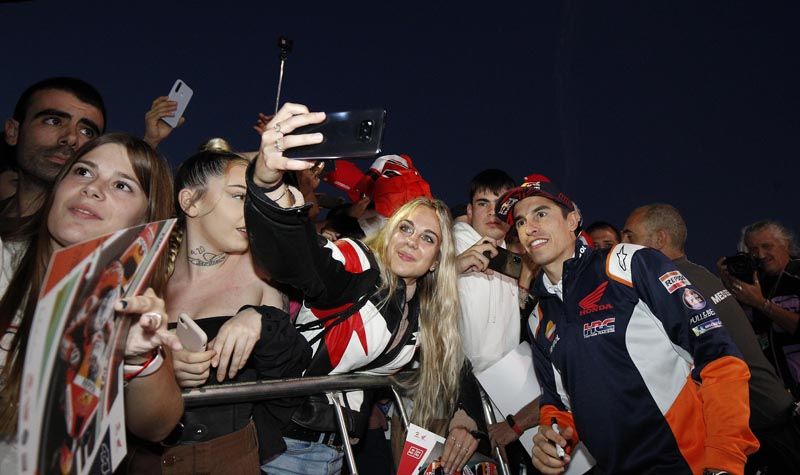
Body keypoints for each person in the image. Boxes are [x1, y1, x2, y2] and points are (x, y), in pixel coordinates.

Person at [245, 103, 485, 475]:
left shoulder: (421, 312)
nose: (411, 243)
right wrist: (268, 185)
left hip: (335, 451)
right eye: (405, 229)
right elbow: (301, 259)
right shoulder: (358, 264)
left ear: (437, 260)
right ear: (388, 233)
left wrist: (465, 417)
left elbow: (453, 363)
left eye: (427, 238)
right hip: (284, 447)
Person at [494, 178, 758, 474]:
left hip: (687, 464)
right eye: (520, 222)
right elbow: (560, 404)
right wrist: (553, 438)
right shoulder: (538, 318)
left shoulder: (629, 264)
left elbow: (720, 358)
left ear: (573, 220)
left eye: (541, 213)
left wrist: (724, 457)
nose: (529, 227)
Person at [0, 133, 182, 471]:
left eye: (122, 185)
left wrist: (140, 355)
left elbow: (158, 426)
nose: (92, 188)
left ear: (147, 219)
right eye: (83, 172)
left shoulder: (136, 305)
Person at [160, 146, 310, 473]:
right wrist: (163, 370)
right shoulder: (152, 280)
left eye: (254, 200)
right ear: (191, 202)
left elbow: (289, 378)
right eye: (240, 196)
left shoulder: (260, 273)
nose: (251, 209)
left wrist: (261, 321)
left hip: (228, 459)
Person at [624, 204, 800, 473]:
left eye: (629, 236)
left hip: (760, 426)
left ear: (659, 239)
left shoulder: (677, 285)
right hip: (768, 414)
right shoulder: (700, 275)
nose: (623, 245)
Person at [453, 169, 538, 473]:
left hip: (503, 396)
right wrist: (454, 265)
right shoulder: (449, 244)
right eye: (482, 203)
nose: (492, 212)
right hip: (454, 396)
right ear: (468, 210)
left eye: (500, 204)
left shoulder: (512, 259)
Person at [1, 77, 106, 228]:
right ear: (13, 132)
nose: (71, 137)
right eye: (53, 121)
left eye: (86, 131)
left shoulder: (89, 240)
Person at [718, 220, 800, 398]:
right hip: (777, 394)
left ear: (785, 243)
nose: (761, 255)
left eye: (766, 246)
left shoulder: (797, 274)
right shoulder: (752, 285)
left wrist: (762, 304)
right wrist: (727, 287)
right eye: (753, 250)